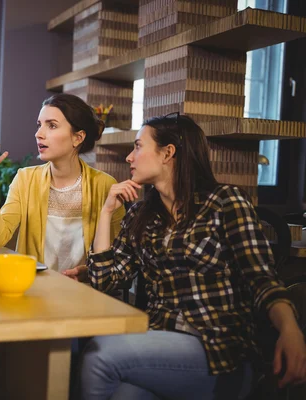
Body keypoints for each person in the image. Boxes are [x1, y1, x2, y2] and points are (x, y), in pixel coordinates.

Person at [79, 113, 306, 399]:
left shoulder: (225, 201)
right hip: (160, 340)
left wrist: (290, 329)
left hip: (219, 350)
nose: (129, 157)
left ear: (167, 153)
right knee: (125, 394)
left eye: (137, 146)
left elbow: (260, 278)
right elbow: (104, 281)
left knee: (99, 354)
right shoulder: (141, 215)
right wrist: (106, 212)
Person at [0, 93, 125, 275]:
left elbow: (117, 258)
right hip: (34, 291)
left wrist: (87, 274)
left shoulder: (105, 186)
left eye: (52, 126)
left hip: (83, 296)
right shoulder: (25, 179)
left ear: (78, 138)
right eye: (39, 125)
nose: (38, 134)